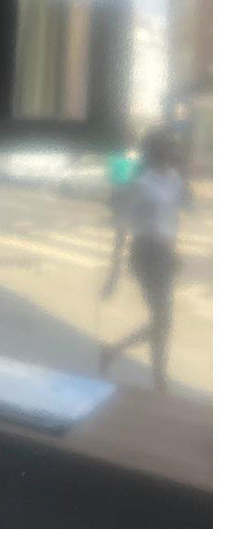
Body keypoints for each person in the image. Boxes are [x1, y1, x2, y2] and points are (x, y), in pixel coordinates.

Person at [100, 127, 190, 391]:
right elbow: (122, 227)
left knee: (162, 320)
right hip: (145, 254)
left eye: (173, 149)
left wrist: (174, 251)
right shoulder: (140, 184)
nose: (172, 153)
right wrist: (113, 275)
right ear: (154, 152)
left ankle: (116, 352)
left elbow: (174, 216)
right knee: (163, 320)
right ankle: (158, 380)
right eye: (167, 148)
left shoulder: (175, 179)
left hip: (165, 254)